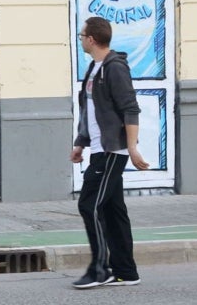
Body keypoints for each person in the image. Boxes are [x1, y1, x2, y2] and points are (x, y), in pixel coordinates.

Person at [70, 15, 149, 288]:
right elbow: (90, 111)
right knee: (114, 210)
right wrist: (81, 142)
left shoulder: (114, 68)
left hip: (112, 151)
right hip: (100, 149)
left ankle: (100, 269)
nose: (80, 39)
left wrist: (131, 147)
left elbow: (130, 108)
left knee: (89, 205)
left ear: (91, 39)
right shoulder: (95, 68)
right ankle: (127, 271)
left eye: (82, 36)